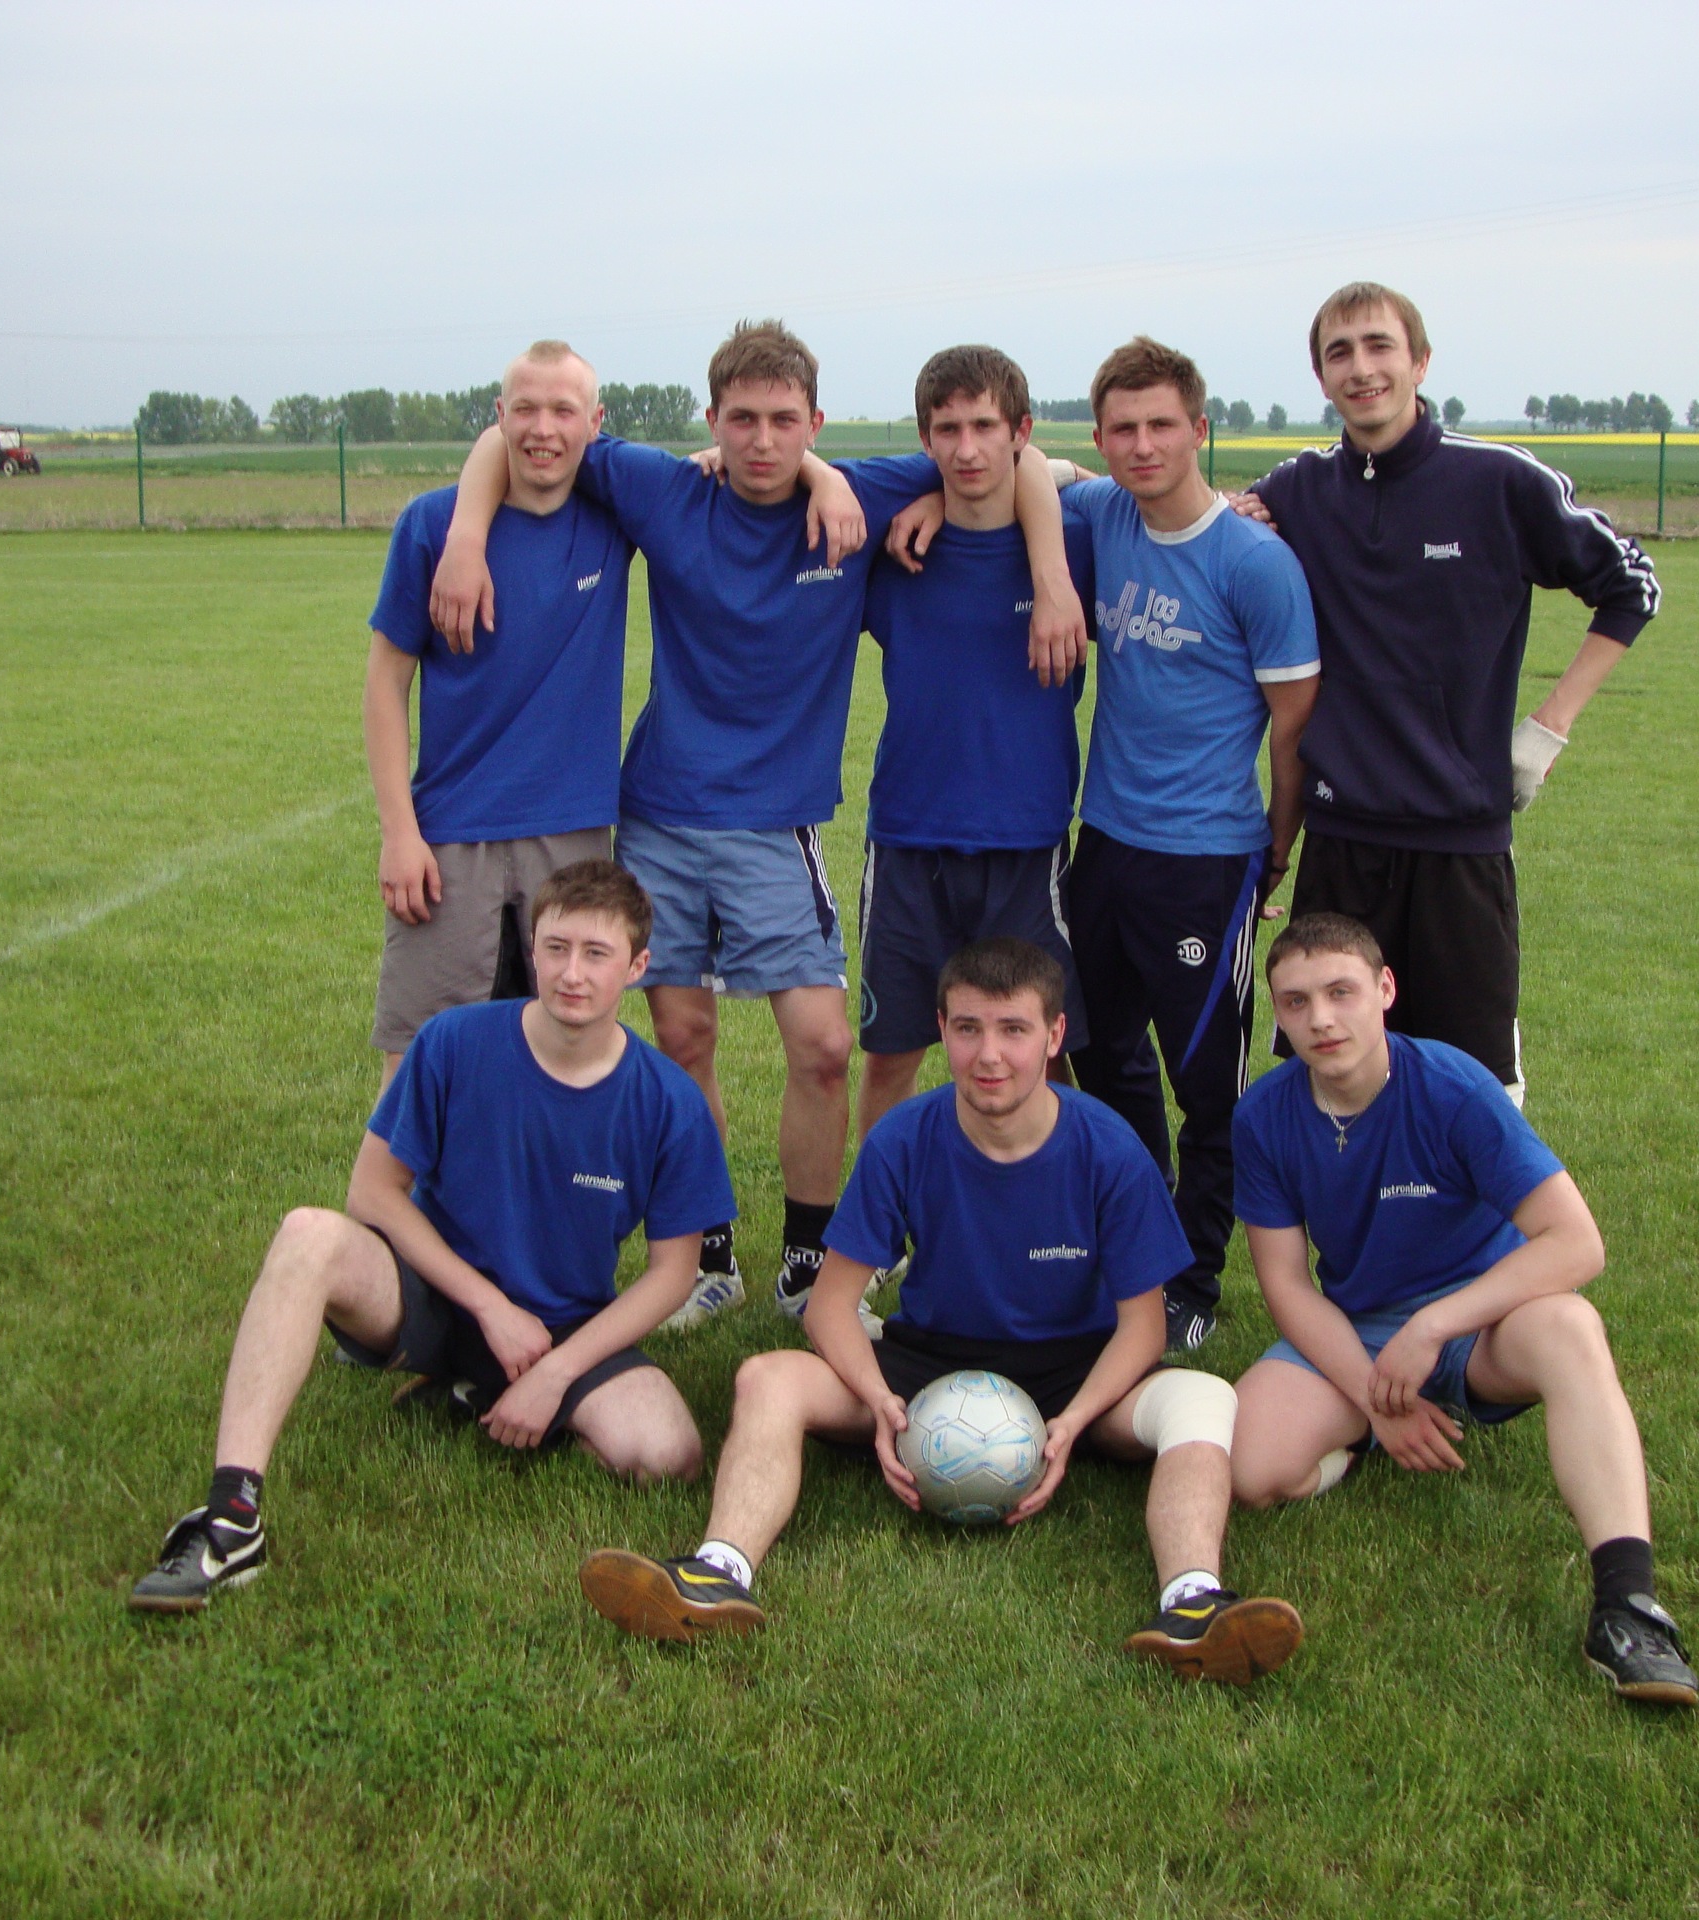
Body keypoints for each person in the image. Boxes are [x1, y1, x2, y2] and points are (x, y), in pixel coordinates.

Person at [431, 321, 1083, 1332]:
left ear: (816, 422)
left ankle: (811, 1261)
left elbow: (1028, 459)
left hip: (776, 827)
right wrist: (466, 541)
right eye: (743, 420)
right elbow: (508, 434)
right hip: (660, 816)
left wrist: (1031, 567)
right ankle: (708, 1257)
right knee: (681, 1035)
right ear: (713, 420)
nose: (763, 440)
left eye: (785, 421)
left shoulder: (862, 493)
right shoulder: (666, 492)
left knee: (823, 1045)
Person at [579, 938, 1304, 1685]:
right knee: (767, 1377)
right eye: (967, 1028)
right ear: (942, 1029)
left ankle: (1193, 1602)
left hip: (1075, 1371)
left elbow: (1144, 1327)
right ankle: (716, 1573)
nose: (989, 1055)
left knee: (1203, 1397)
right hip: (928, 1362)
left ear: (1054, 1035)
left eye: (1014, 1029)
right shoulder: (905, 1137)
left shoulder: (1109, 1150)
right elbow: (830, 1308)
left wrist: (1073, 1423)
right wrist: (880, 1403)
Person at [126, 862, 732, 1613]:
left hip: (561, 1326)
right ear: (533, 950)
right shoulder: (453, 1041)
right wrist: (488, 1305)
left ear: (637, 967)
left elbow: (673, 1273)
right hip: (433, 1295)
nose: (571, 973)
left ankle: (472, 1393)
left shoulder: (668, 1101)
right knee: (309, 1235)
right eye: (555, 948)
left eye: (596, 954)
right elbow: (372, 1192)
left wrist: (555, 1372)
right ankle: (231, 1516)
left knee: (669, 1454)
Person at [892, 337, 1320, 1352]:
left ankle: (1193, 1280)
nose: (1141, 446)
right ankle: (1135, 1241)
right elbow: (1021, 467)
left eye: (1161, 425)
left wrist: (1272, 854)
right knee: (1096, 1052)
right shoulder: (1102, 516)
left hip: (1207, 860)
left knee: (1203, 1081)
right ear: (1100, 435)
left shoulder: (1256, 563)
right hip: (1103, 845)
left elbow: (1295, 732)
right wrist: (931, 500)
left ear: (1200, 430)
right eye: (1122, 428)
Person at [1227, 913, 1699, 1706]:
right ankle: (1364, 1441)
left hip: (1483, 1323)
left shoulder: (1453, 1087)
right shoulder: (1264, 1115)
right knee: (1248, 1468)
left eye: (1342, 992)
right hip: (1361, 1327)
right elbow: (1287, 1286)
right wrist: (1374, 1400)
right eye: (1298, 1002)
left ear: (1385, 989)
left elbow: (1576, 1243)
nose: (1322, 1019)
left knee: (1572, 1328)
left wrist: (1436, 1325)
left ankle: (1628, 1608)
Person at [1236, 282, 1660, 1105]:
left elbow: (1631, 585)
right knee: (1329, 1075)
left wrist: (1550, 725)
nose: (1361, 369)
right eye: (1339, 353)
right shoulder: (1297, 490)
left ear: (1421, 361)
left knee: (1475, 1093)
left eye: (1379, 346)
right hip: (1342, 845)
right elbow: (1208, 532)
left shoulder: (1498, 480)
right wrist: (1237, 517)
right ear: (1321, 378)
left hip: (1460, 849)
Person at [364, 340, 628, 1091]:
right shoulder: (431, 525)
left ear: (596, 423)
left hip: (572, 833)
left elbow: (724, 470)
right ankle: (404, 1179)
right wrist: (399, 833)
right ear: (499, 415)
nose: (543, 429)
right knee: (423, 1062)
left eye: (564, 411)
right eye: (525, 409)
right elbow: (385, 682)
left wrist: (818, 474)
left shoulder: (614, 516)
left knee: (570, 1051)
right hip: (450, 839)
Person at [854, 344, 1094, 1141]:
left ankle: (1047, 1195)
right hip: (908, 840)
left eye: (986, 427)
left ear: (1020, 431)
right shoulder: (896, 552)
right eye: (947, 430)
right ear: (924, 439)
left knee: (1044, 1052)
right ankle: (884, 1208)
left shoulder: (1076, 545)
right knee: (891, 1054)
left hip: (1025, 844)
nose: (967, 449)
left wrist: (1052, 576)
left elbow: (1080, 481)